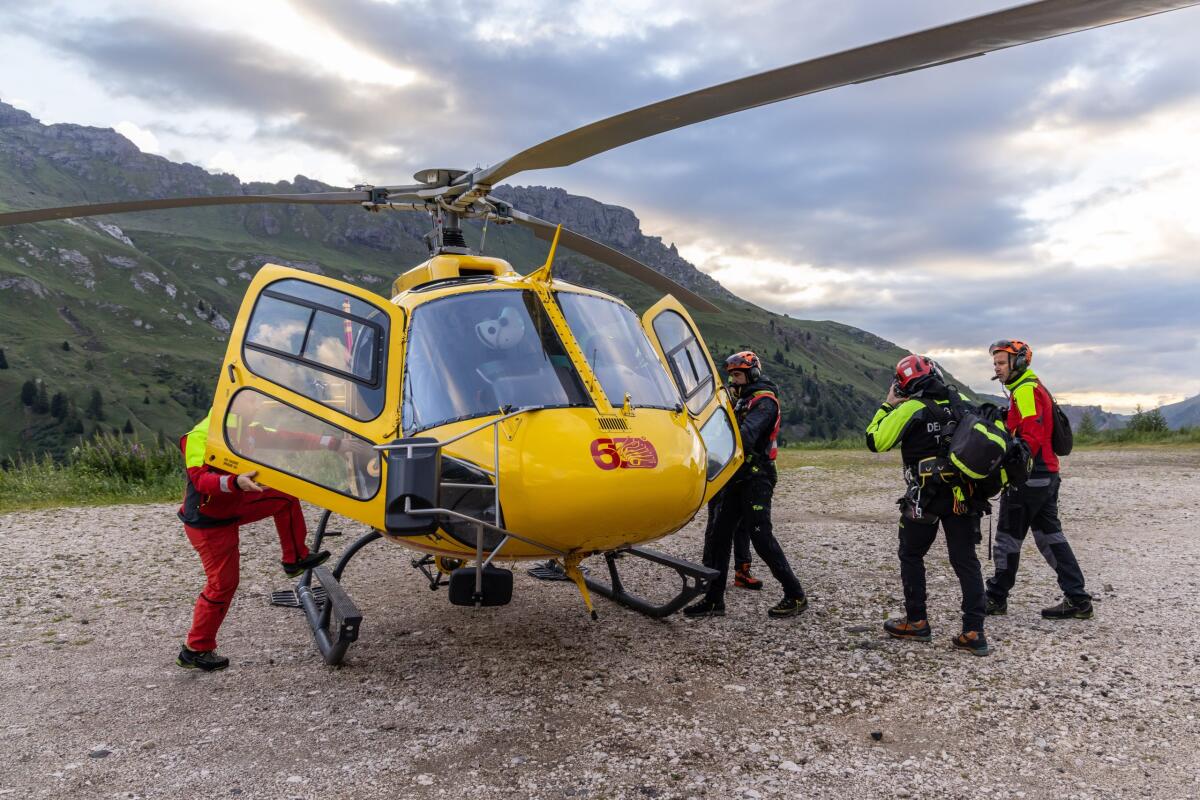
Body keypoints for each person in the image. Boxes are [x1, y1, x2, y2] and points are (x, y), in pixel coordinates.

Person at [175, 405, 335, 672]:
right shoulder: (199, 437)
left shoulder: (241, 426)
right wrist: (235, 483)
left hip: (232, 506)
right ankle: (195, 650)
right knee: (222, 585)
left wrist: (333, 443)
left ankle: (294, 558)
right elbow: (200, 480)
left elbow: (286, 437)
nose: (256, 418)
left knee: (284, 497)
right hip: (208, 523)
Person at [865, 355, 990, 656]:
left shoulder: (911, 408)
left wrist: (887, 405)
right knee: (965, 560)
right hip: (963, 495)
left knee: (911, 554)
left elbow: (875, 440)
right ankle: (974, 632)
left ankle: (917, 621)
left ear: (902, 384)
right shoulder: (959, 401)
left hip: (925, 496)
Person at [686, 351, 807, 618]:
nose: (734, 381)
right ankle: (714, 599)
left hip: (757, 476)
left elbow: (747, 436)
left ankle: (795, 594)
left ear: (752, 374)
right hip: (737, 475)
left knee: (760, 536)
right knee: (719, 535)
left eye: (738, 375)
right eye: (731, 376)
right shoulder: (743, 400)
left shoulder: (764, 402)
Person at [985, 340, 1093, 619]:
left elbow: (1030, 435)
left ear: (1017, 363)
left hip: (1030, 477)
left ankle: (996, 597)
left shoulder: (1025, 390)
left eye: (1000, 363)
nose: (996, 368)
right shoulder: (1031, 387)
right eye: (995, 363)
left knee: (1007, 538)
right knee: (1050, 536)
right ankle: (1078, 599)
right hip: (1047, 474)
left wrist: (1008, 467)